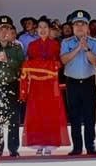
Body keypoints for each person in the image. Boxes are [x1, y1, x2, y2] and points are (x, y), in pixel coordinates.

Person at [22, 17, 71, 155]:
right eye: (40, 27)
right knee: (37, 112)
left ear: (49, 30)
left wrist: (48, 65)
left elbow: (59, 63)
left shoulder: (55, 45)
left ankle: (50, 143)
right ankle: (37, 143)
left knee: (50, 112)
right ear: (36, 30)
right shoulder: (32, 45)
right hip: (36, 85)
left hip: (50, 83)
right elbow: (28, 63)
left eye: (45, 27)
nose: (42, 30)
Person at [0, 15, 27, 157]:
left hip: (12, 85)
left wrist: (8, 60)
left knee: (14, 118)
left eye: (7, 29)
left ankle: (13, 148)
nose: (4, 32)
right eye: (1, 29)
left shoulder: (16, 48)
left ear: (11, 31)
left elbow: (22, 65)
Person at [60, 9, 96, 156]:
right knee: (74, 115)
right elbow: (63, 60)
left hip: (88, 82)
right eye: (76, 24)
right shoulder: (66, 42)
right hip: (72, 83)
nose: (79, 27)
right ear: (72, 27)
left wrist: (87, 48)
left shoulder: (94, 42)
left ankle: (90, 145)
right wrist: (78, 48)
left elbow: (95, 62)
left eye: (82, 24)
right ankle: (77, 146)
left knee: (90, 115)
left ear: (87, 27)